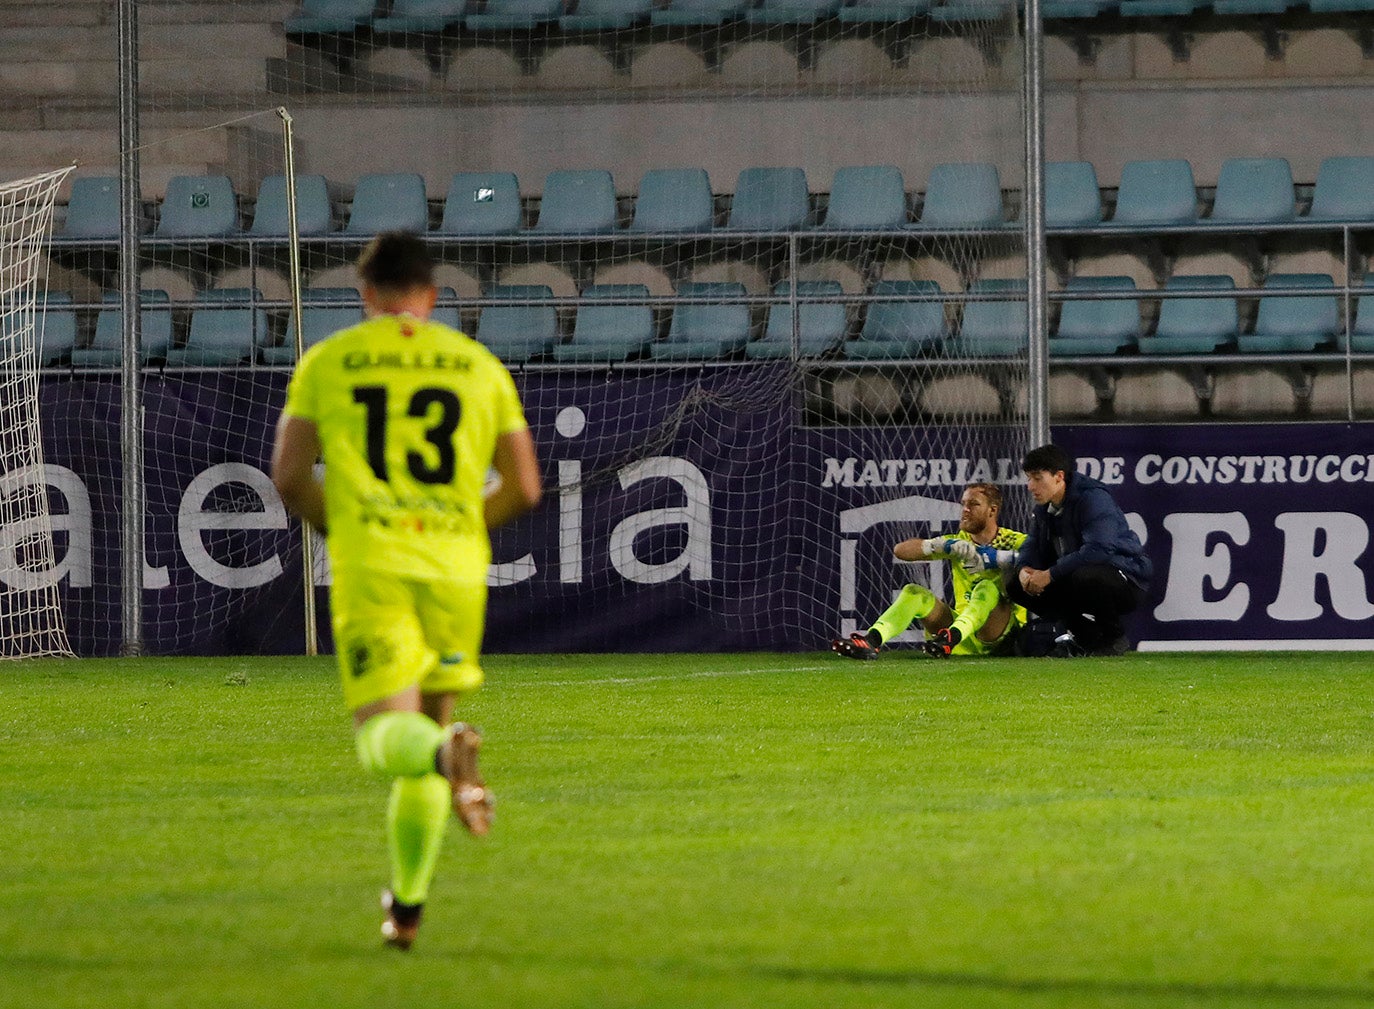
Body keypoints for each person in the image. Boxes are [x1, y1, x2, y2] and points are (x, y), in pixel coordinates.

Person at [270, 232, 542, 950]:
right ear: (432, 293)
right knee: (430, 724)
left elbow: (292, 476)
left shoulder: (327, 361)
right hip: (454, 570)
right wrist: (455, 528)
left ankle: (446, 759)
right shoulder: (476, 364)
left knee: (391, 743)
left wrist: (354, 527)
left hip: (377, 566)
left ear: (365, 295)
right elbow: (524, 485)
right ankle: (408, 907)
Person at [831, 483, 1027, 659]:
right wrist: (939, 546)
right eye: (963, 503)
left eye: (973, 504)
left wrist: (1002, 558)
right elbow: (901, 551)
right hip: (959, 631)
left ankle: (952, 636)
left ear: (992, 510)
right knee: (913, 592)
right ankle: (872, 640)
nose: (965, 510)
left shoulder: (1014, 541)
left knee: (986, 588)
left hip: (999, 634)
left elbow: (1043, 561)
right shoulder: (958, 542)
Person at [1006, 444, 1151, 657]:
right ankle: (1087, 638)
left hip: (1126, 580)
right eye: (1029, 478)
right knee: (1014, 582)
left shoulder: (1093, 498)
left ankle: (1114, 637)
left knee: (1086, 575)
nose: (1030, 486)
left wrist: (1049, 574)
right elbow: (1032, 544)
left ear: (1059, 476)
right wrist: (1024, 570)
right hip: (1076, 577)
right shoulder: (1044, 509)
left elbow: (1100, 550)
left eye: (1038, 478)